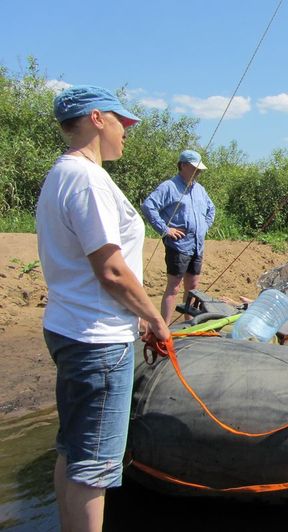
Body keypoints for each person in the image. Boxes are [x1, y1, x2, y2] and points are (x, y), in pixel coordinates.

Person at [35, 85, 170, 531]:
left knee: (71, 451)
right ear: (97, 118)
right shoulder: (88, 179)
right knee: (95, 468)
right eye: (122, 120)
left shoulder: (61, 174)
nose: (128, 129)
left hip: (69, 328)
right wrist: (153, 318)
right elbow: (110, 270)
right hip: (98, 339)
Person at [142, 149, 216, 323]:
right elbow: (148, 206)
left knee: (193, 287)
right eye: (195, 168)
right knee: (174, 287)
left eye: (200, 170)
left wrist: (204, 227)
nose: (198, 172)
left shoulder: (199, 189)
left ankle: (189, 322)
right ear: (183, 165)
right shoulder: (169, 186)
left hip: (197, 245)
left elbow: (211, 209)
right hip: (179, 245)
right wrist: (165, 230)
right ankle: (164, 327)